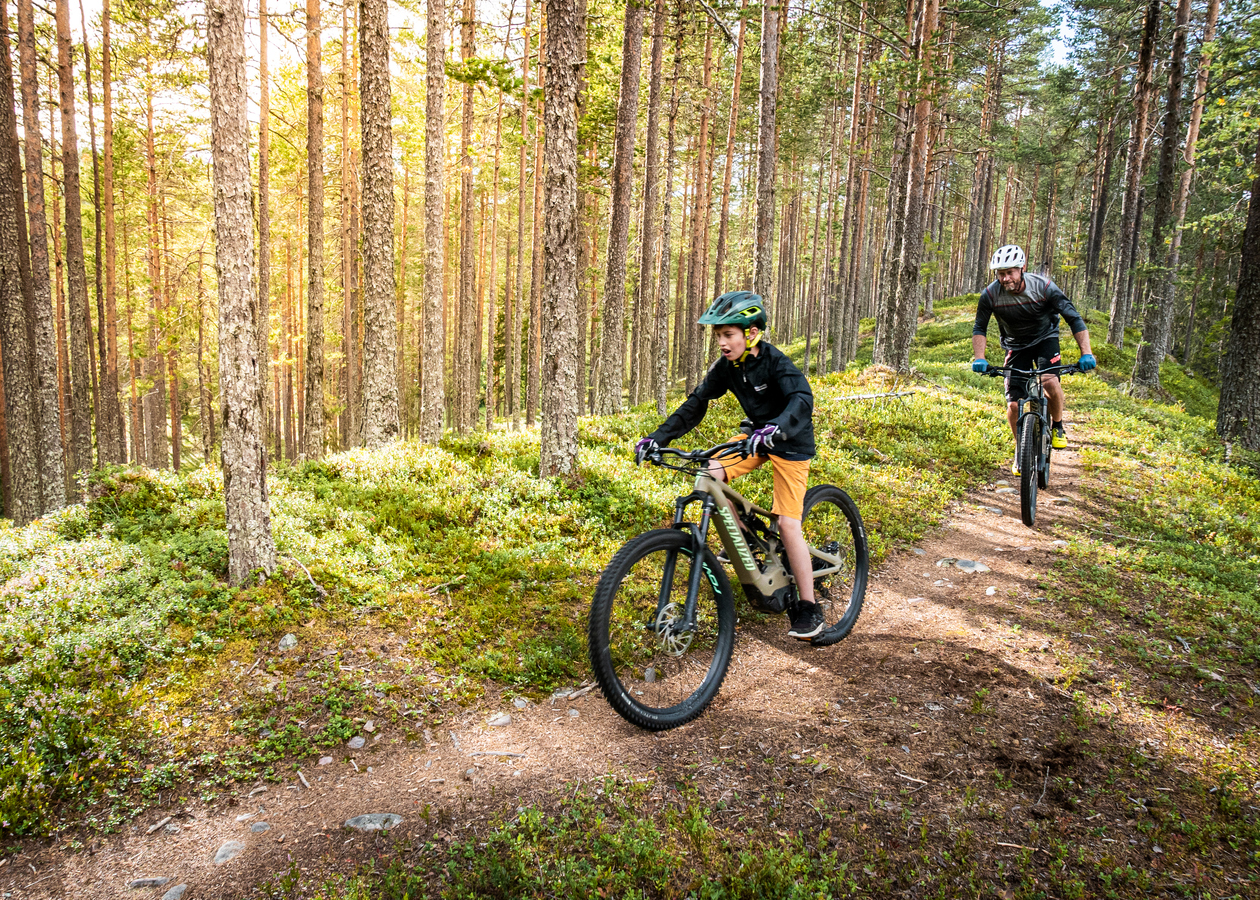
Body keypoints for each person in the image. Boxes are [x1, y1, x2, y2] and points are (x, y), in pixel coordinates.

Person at [633, 291, 825, 640]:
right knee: (709, 471)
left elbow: (802, 399)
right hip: (754, 438)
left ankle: (809, 608)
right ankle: (748, 545)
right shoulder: (727, 367)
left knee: (787, 524)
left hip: (790, 442)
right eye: (718, 335)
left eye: (728, 334)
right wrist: (657, 438)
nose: (721, 342)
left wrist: (777, 428)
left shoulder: (776, 362)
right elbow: (696, 404)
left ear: (751, 333)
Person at [971, 245, 1096, 475]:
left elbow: (1074, 318)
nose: (1005, 278)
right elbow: (980, 327)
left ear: (1022, 268)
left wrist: (1086, 353)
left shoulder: (1044, 287)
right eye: (1000, 274)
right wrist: (980, 358)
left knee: (1049, 381)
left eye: (1010, 272)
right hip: (1015, 345)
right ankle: (1021, 449)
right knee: (1013, 404)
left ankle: (1057, 426)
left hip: (1045, 338)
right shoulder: (990, 295)